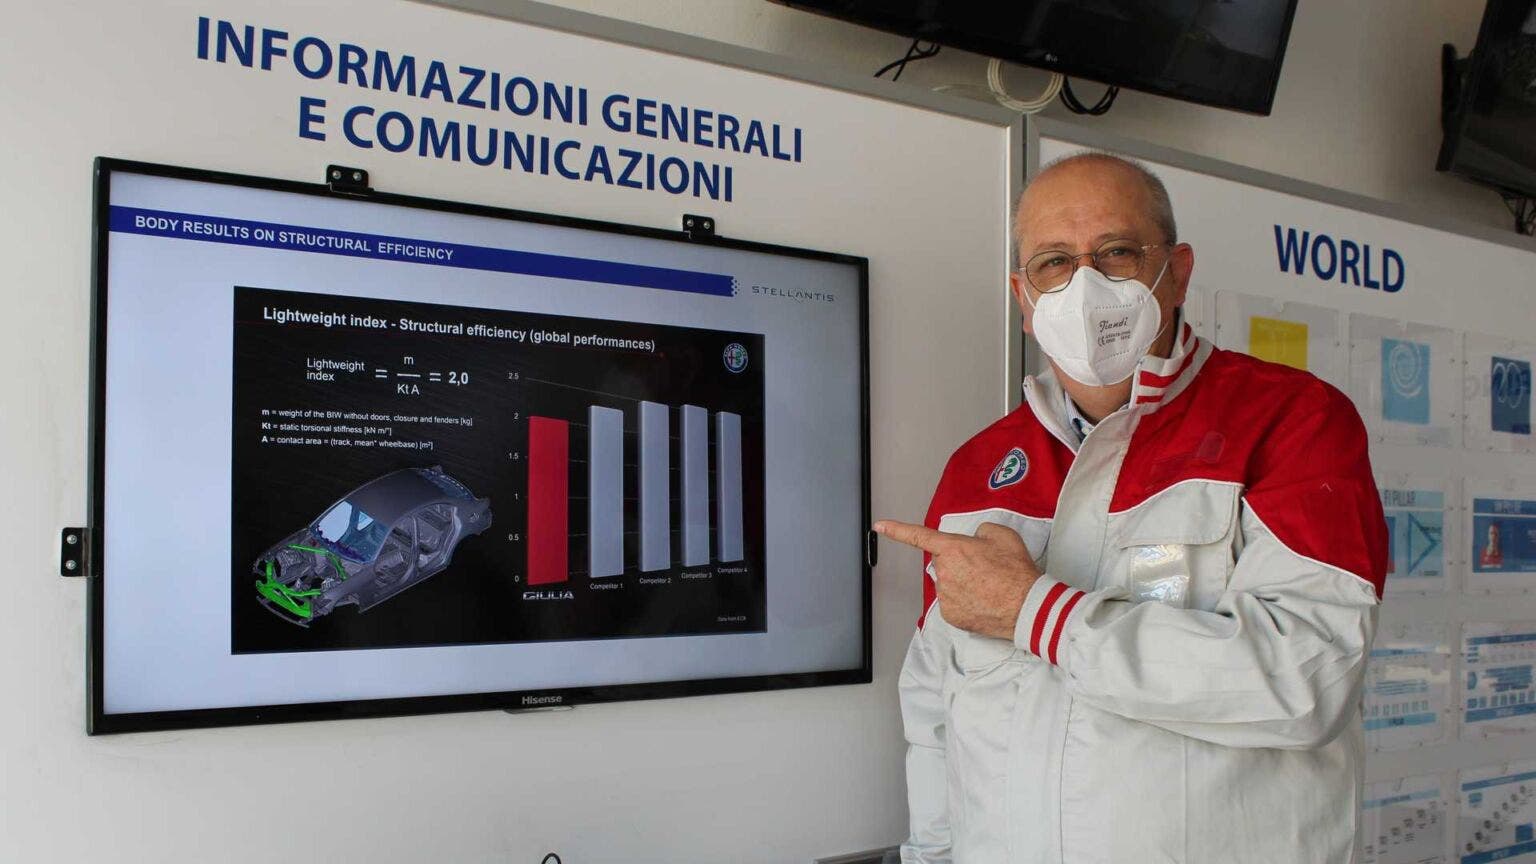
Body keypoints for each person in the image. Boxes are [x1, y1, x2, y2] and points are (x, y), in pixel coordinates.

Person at [875, 152, 1387, 863]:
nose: (1084, 283)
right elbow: (934, 709)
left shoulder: (1293, 423)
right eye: (1054, 262)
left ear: (1175, 272)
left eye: (1115, 252)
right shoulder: (976, 469)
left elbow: (1308, 681)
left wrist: (1037, 613)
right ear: (1024, 299)